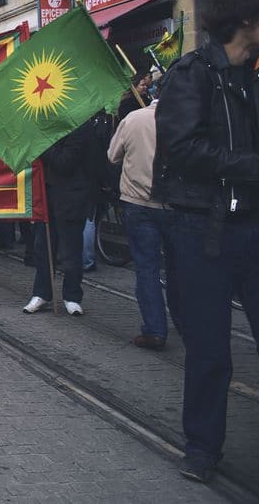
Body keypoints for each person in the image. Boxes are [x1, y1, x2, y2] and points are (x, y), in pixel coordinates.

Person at [153, 0, 259, 484]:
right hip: (202, 229)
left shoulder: (254, 78)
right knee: (210, 349)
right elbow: (182, 152)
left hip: (256, 228)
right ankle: (202, 449)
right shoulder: (192, 74)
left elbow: (257, 148)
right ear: (247, 21)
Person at [108, 96, 177, 349]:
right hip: (174, 205)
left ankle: (155, 330)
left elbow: (113, 155)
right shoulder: (183, 119)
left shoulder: (133, 119)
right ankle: (185, 322)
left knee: (147, 269)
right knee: (179, 267)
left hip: (138, 203)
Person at [23, 116, 104, 316]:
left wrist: (44, 145)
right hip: (47, 197)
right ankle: (41, 293)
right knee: (43, 248)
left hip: (71, 198)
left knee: (71, 250)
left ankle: (72, 296)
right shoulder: (48, 123)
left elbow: (65, 162)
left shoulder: (79, 126)